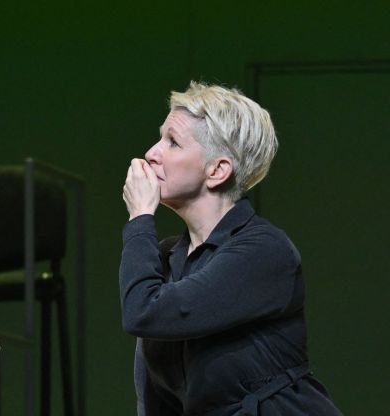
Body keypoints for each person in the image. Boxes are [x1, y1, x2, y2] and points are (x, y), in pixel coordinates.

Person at [119, 82, 342, 415]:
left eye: (173, 142)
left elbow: (144, 312)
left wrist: (139, 219)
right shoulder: (167, 259)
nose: (152, 152)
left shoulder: (264, 251)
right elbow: (154, 397)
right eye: (159, 137)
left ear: (218, 170)